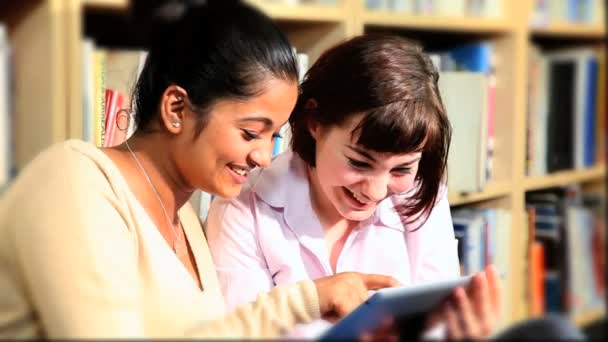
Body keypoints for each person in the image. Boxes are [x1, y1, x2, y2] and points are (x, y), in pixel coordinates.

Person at [0, 1, 400, 338]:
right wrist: (304, 300)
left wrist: (313, 299)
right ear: (176, 109)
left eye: (273, 136)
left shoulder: (186, 217)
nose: (263, 156)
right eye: (250, 133)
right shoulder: (75, 183)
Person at [205, 34, 503, 339]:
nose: (375, 191)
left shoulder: (420, 194)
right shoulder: (243, 207)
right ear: (314, 123)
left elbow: (433, 327)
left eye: (402, 168)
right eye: (359, 163)